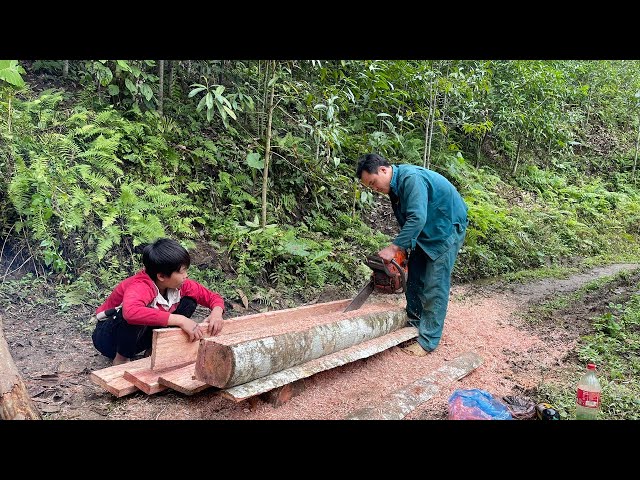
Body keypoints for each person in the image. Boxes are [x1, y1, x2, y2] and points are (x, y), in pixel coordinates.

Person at [356, 153, 468, 356]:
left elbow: (417, 217)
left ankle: (428, 341)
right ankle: (414, 325)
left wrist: (394, 248)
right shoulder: (394, 189)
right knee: (414, 279)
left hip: (446, 230)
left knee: (435, 284)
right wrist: (404, 251)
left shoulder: (410, 178)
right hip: (426, 233)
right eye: (370, 187)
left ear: (383, 170)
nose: (374, 188)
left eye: (373, 182)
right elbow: (408, 219)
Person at [92, 237, 225, 365]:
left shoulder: (182, 285)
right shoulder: (140, 286)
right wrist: (181, 320)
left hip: (137, 338)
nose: (186, 276)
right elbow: (130, 312)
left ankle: (155, 348)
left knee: (189, 302)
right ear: (161, 276)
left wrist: (217, 313)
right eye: (182, 272)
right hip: (109, 339)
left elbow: (213, 297)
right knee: (134, 314)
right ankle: (121, 359)